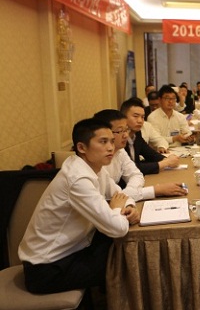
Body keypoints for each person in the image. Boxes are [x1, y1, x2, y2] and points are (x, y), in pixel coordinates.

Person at [18, 118, 139, 294]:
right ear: (82, 148)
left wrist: (130, 208)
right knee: (125, 260)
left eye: (112, 141)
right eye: (103, 142)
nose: (110, 147)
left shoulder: (94, 167)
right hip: (47, 268)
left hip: (72, 250)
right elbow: (118, 228)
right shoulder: (77, 178)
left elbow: (120, 195)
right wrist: (117, 209)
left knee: (122, 248)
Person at [95, 110, 188, 200]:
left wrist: (131, 192)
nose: (125, 135)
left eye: (126, 130)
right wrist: (156, 190)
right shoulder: (97, 162)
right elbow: (114, 196)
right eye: (120, 131)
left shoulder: (120, 150)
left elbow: (136, 174)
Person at [120, 98, 180, 175]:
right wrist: (165, 163)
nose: (140, 121)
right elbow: (131, 168)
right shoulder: (119, 139)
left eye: (142, 117)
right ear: (123, 118)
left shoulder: (136, 134)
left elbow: (150, 154)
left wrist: (167, 159)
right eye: (135, 116)